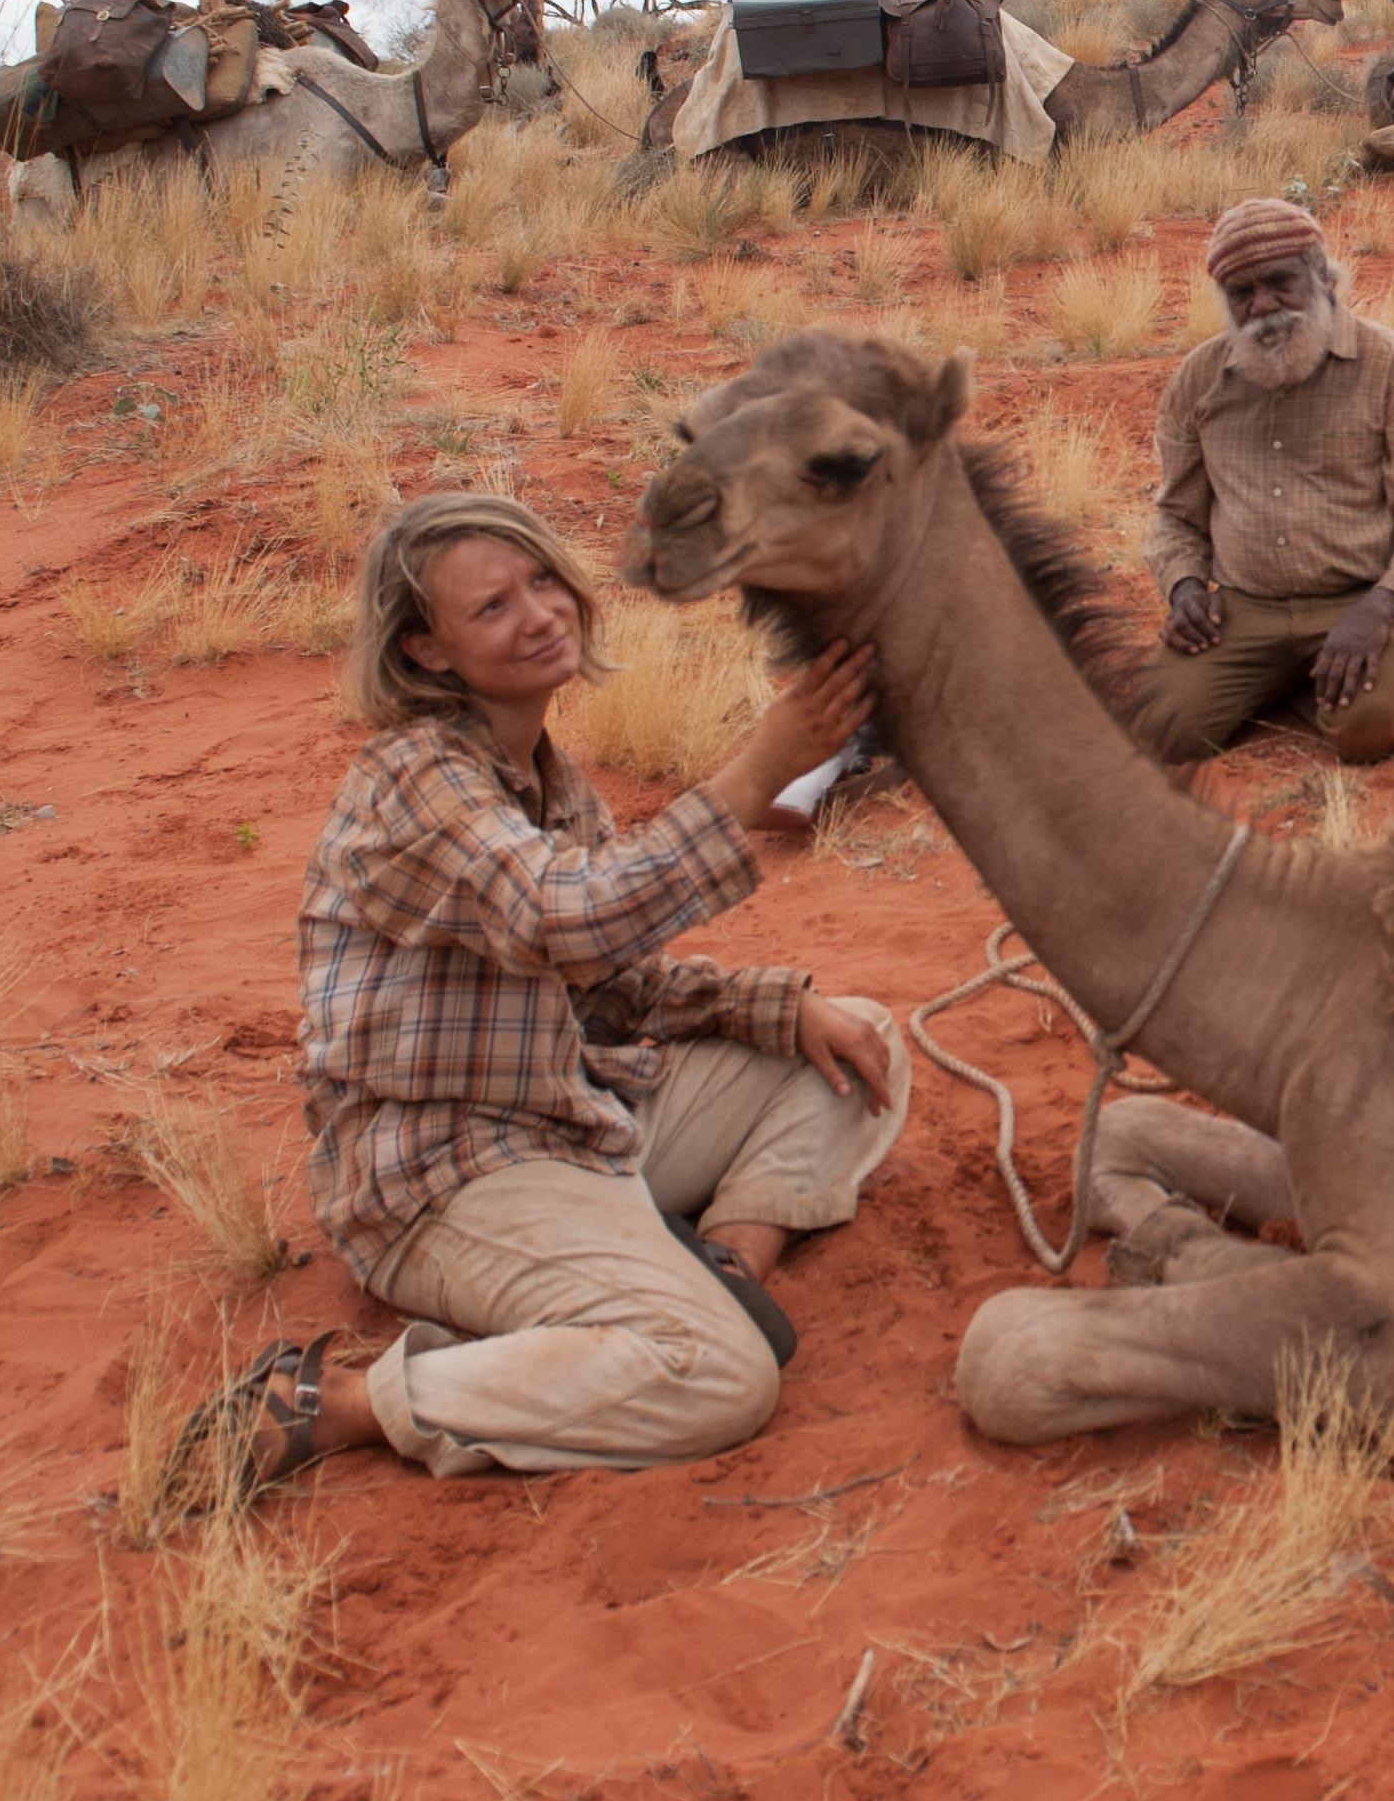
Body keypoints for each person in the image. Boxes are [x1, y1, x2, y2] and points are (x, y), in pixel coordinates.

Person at [196, 491, 905, 1495]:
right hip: (446, 1173)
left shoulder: (552, 781)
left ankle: (725, 1265)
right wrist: (756, 775)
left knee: (855, 1044)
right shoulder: (413, 778)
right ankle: (341, 1406)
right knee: (717, 1378)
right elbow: (559, 919)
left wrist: (777, 1008)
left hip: (570, 1117)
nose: (537, 614)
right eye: (490, 608)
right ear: (423, 653)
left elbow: (618, 985)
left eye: (541, 582)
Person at [1136, 196, 1394, 767]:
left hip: (1362, 601)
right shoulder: (1197, 381)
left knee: (1369, 733)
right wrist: (1185, 587)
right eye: (1241, 293)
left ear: (1323, 277)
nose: (1263, 305)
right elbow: (1175, 516)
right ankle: (1291, 680)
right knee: (1157, 730)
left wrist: (1382, 608)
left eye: (1280, 281)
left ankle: (1327, 674)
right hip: (1242, 609)